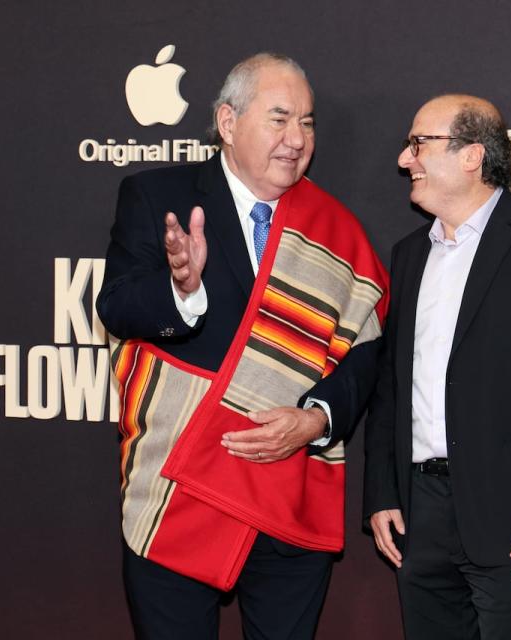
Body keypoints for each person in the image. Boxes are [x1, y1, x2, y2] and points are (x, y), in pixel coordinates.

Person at [97, 53, 388, 640]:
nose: (296, 139)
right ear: (228, 123)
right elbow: (118, 307)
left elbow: (366, 350)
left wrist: (317, 418)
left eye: (306, 123)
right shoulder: (159, 196)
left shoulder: (336, 228)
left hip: (289, 490)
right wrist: (180, 290)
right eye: (279, 118)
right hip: (179, 488)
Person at [363, 95, 511, 639]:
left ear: (472, 156)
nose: (406, 160)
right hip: (418, 515)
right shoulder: (408, 255)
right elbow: (390, 387)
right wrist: (382, 491)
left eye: (419, 144)